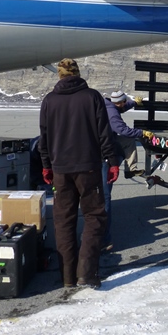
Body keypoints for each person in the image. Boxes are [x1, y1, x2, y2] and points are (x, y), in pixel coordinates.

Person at [39, 58, 120, 289]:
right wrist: (112, 162)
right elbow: (105, 133)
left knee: (63, 221)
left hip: (60, 170)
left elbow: (43, 137)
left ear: (60, 75)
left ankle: (67, 277)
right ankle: (86, 273)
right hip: (89, 167)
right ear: (77, 73)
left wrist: (46, 165)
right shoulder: (92, 96)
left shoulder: (49, 101)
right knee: (95, 216)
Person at [105, 90, 154, 179]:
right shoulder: (113, 114)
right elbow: (124, 131)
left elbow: (122, 107)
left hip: (105, 137)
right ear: (120, 102)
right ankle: (130, 170)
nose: (125, 103)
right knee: (129, 140)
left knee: (129, 141)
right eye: (124, 101)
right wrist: (141, 132)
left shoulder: (109, 105)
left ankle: (130, 170)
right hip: (105, 142)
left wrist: (134, 102)